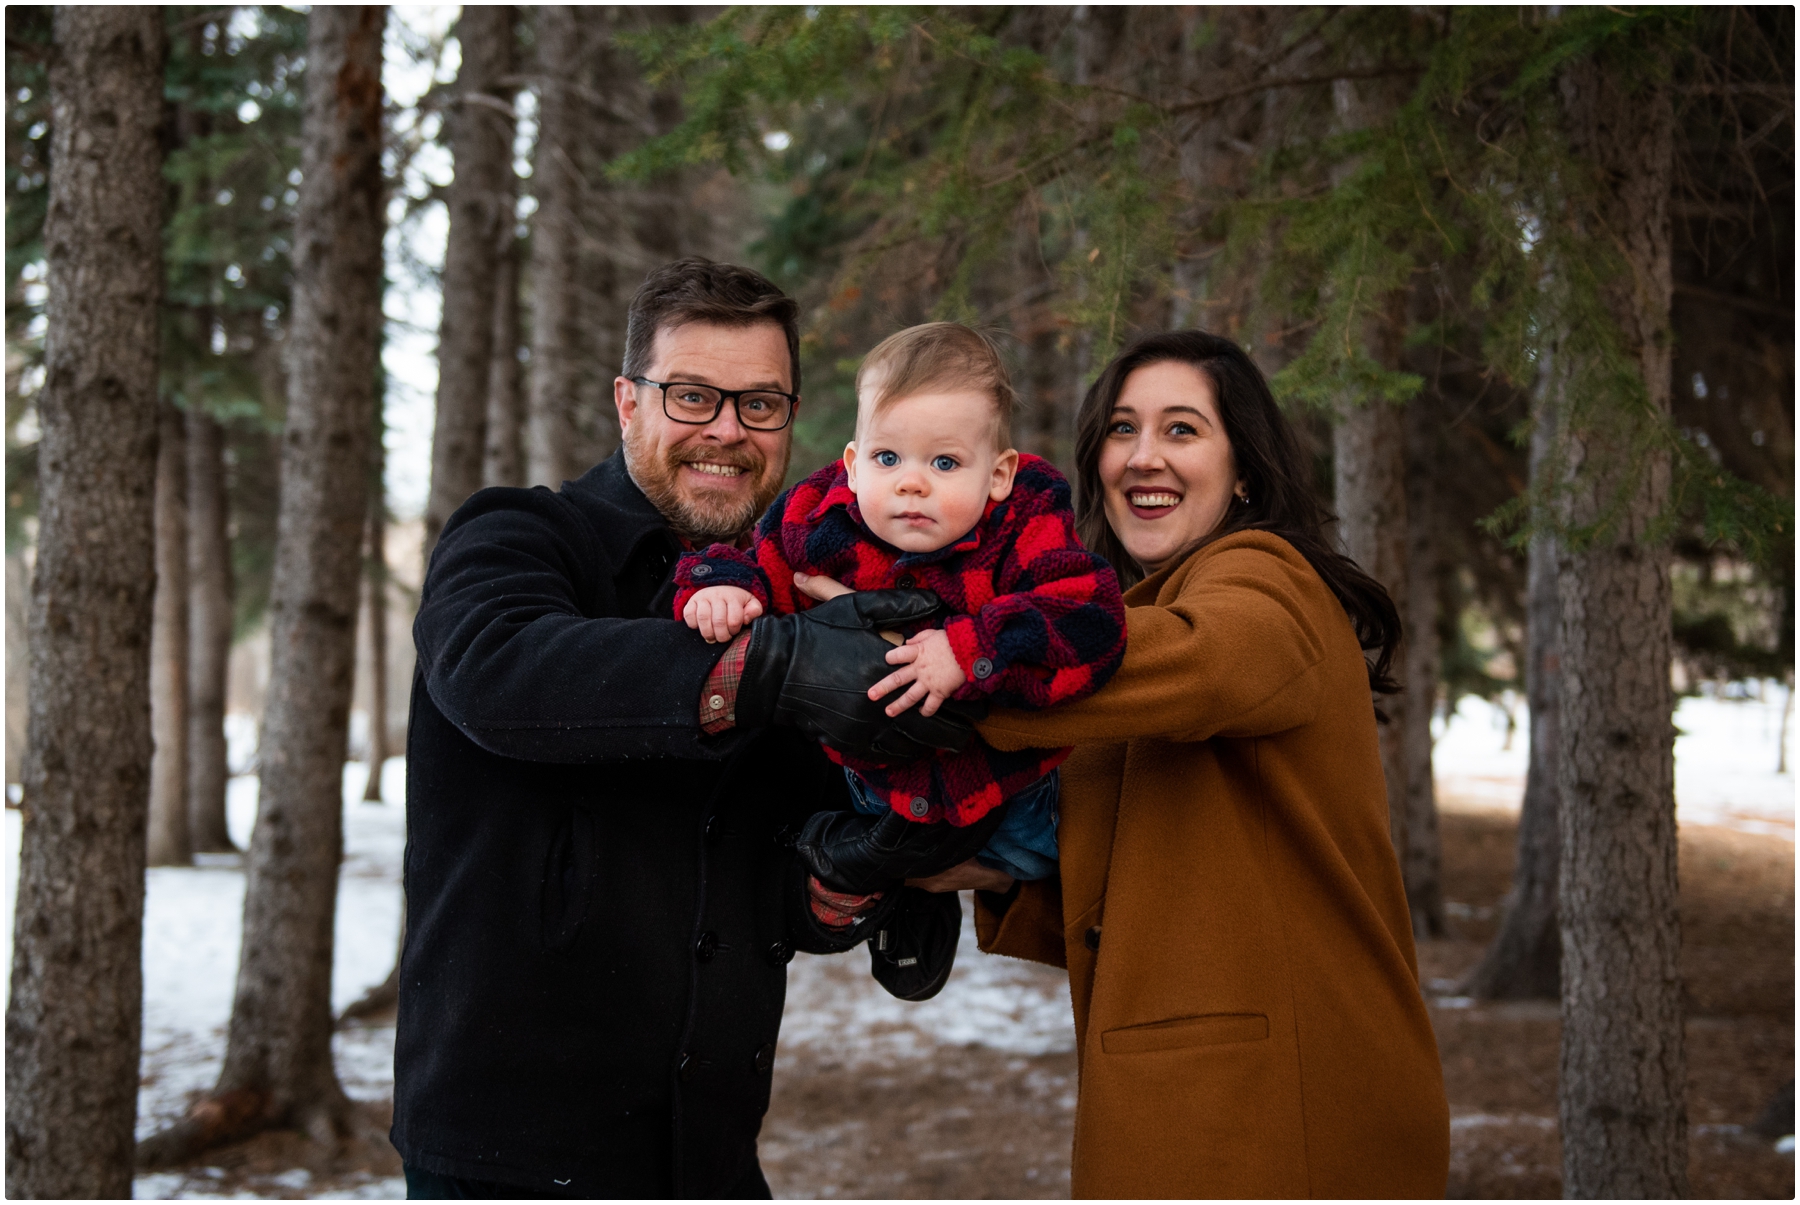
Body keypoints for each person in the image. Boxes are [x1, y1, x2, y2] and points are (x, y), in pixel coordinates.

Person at [392, 259, 970, 1199]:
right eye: (693, 396)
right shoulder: (519, 535)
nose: (727, 432)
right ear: (628, 402)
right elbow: (494, 672)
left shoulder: (803, 602)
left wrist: (857, 870)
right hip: (508, 1160)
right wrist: (767, 668)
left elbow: (768, 888)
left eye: (761, 404)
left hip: (711, 1155)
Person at [909, 329, 1452, 1197]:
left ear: (1244, 471)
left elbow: (1212, 660)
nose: (1142, 457)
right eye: (1121, 430)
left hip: (1277, 1113)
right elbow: (1145, 884)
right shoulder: (1139, 626)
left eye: (1182, 429)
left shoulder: (1266, 581)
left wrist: (962, 657)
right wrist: (971, 866)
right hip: (1207, 1096)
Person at [671, 323, 1126, 909]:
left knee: (1049, 858)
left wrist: (969, 649)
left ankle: (922, 898)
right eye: (888, 457)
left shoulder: (1024, 522)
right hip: (874, 782)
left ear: (998, 474)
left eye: (945, 462)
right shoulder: (816, 519)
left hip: (1008, 793)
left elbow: (1091, 615)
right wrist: (725, 588)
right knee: (845, 846)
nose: (911, 482)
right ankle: (902, 912)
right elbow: (750, 563)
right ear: (854, 465)